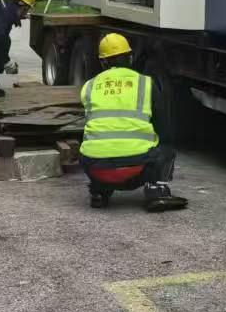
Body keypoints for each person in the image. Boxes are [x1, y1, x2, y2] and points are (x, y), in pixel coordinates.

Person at [79, 33, 187, 212]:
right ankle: (156, 191)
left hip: (96, 168)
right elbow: (164, 127)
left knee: (93, 143)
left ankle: (99, 192)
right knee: (166, 145)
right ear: (129, 58)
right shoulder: (146, 83)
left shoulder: (89, 86)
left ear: (103, 62)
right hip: (138, 168)